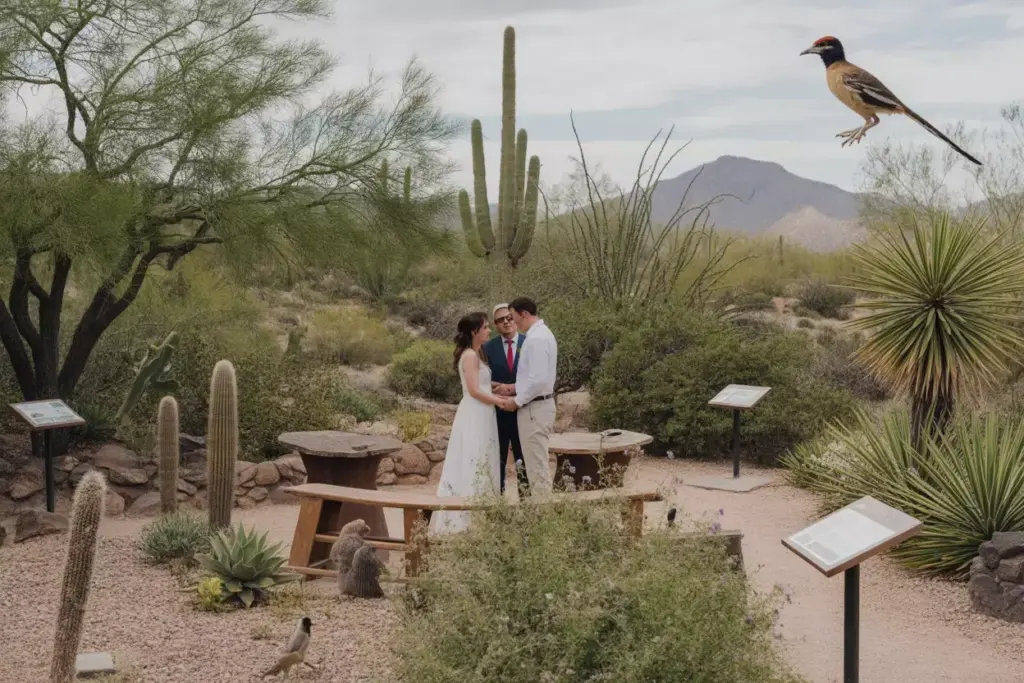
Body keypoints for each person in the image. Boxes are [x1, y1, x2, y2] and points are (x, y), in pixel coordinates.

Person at [429, 312, 505, 535]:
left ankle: (476, 515)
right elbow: (473, 390)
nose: (489, 331)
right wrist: (500, 401)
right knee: (474, 458)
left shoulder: (475, 354)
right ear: (475, 331)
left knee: (480, 457)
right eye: (485, 327)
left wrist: (497, 386)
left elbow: (480, 383)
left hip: (481, 411)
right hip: (475, 412)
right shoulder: (470, 355)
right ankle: (465, 519)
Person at [502, 297, 557, 496]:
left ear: (524, 313)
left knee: (536, 466)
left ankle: (544, 519)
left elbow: (538, 380)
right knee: (534, 464)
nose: (513, 322)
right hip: (536, 405)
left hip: (534, 409)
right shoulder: (540, 335)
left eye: (514, 316)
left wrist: (516, 401)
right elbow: (535, 377)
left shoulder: (537, 339)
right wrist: (513, 387)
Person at [483, 303, 529, 496]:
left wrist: (514, 389)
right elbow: (482, 378)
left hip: (525, 410)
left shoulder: (529, 342)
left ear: (515, 318)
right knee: (498, 459)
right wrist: (496, 388)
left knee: (524, 458)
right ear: (495, 325)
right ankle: (498, 504)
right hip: (498, 413)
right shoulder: (487, 347)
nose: (506, 322)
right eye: (501, 320)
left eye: (509, 317)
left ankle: (528, 504)